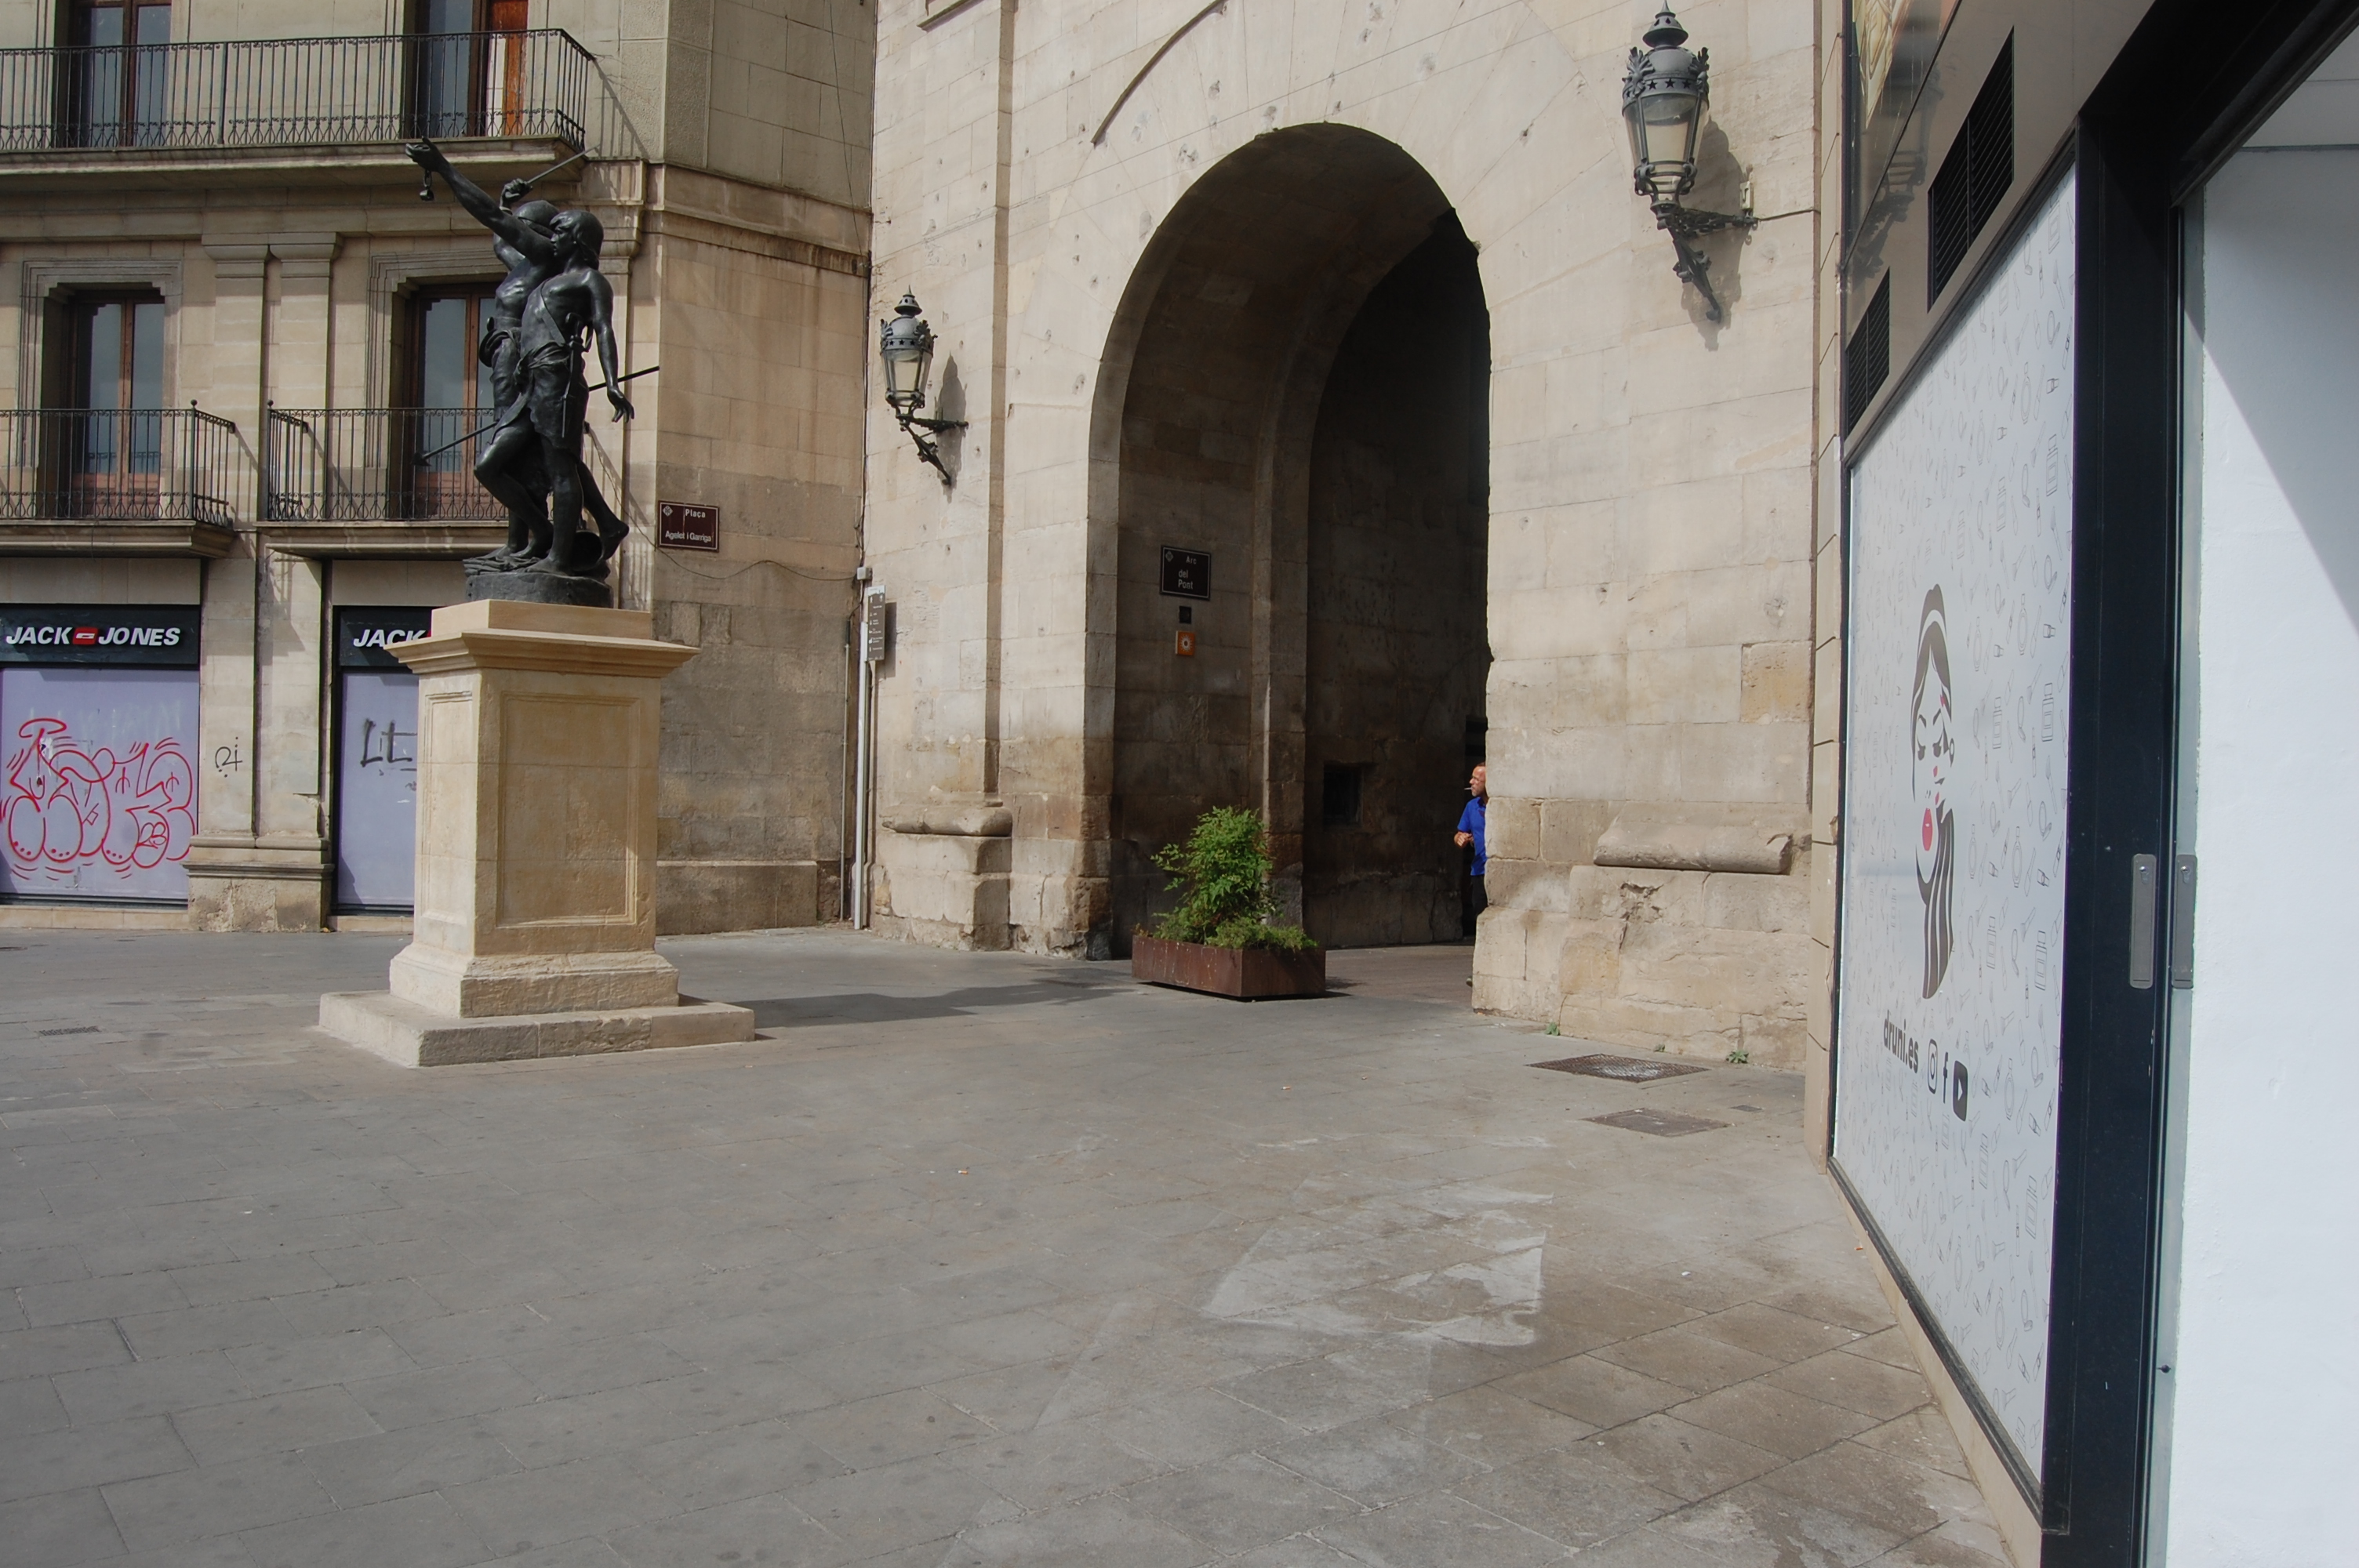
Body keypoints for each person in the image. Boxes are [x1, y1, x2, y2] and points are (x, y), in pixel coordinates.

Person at [1454, 763, 1488, 927]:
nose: (1471, 782)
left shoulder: (1501, 806)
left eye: (1476, 779)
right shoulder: (1471, 806)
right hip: (1479, 871)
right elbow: (1460, 833)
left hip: (1497, 870)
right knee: (1481, 915)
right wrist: (1460, 838)